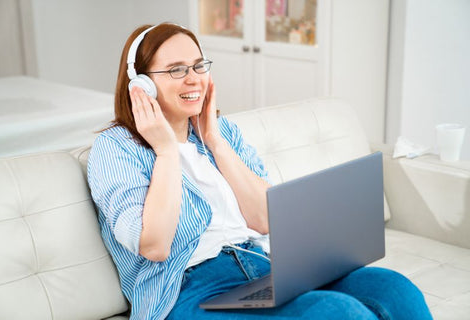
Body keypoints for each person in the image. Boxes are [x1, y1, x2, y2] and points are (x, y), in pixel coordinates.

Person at [87, 23, 433, 320]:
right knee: (335, 312)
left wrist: (216, 143)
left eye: (198, 66)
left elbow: (266, 220)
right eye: (177, 69)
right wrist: (165, 150)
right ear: (141, 85)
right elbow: (155, 245)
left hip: (266, 267)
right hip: (190, 290)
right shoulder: (117, 147)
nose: (193, 79)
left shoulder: (223, 133)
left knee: (396, 290)